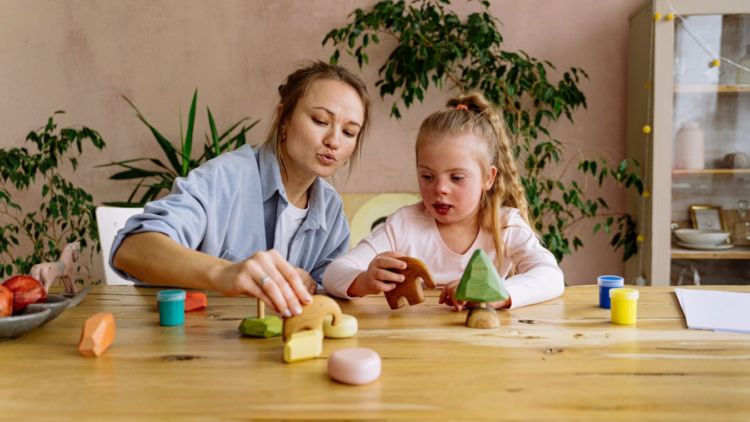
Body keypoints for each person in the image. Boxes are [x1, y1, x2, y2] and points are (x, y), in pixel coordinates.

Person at [112, 61, 370, 318]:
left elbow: (326, 296)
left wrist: (319, 284)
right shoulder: (225, 179)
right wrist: (226, 273)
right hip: (195, 347)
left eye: (349, 132)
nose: (334, 141)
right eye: (320, 120)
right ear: (284, 118)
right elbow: (132, 249)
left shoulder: (331, 210)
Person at [322, 93, 563, 310]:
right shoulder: (404, 225)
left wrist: (499, 293)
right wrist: (364, 280)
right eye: (427, 176)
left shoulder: (505, 225)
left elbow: (551, 276)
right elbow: (333, 273)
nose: (440, 189)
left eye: (457, 178)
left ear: (488, 178)